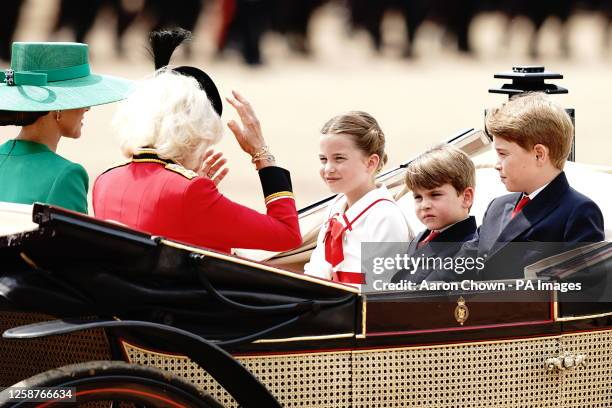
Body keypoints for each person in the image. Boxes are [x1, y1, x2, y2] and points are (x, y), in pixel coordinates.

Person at [93, 29, 301, 253]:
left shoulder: (105, 181)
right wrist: (261, 154)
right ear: (193, 133)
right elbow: (287, 235)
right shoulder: (190, 192)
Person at [474, 92, 604, 280]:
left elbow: (582, 291)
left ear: (539, 154)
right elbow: (465, 266)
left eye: (503, 154)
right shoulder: (497, 207)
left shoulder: (578, 212)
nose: (496, 164)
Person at [0, 41, 132, 213]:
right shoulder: (66, 175)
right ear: (58, 108)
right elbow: (73, 241)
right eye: (80, 98)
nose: (87, 108)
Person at [304, 111, 412, 287]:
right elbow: (319, 268)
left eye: (339, 158)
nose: (328, 169)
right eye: (323, 160)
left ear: (371, 163)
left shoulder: (385, 217)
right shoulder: (336, 207)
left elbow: (379, 287)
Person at [392, 145, 477, 284]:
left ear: (466, 197)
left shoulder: (469, 248)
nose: (425, 205)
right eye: (418, 197)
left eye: (435, 194)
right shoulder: (419, 239)